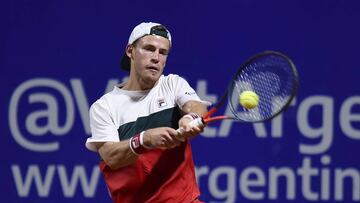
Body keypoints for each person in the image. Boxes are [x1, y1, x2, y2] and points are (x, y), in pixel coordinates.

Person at [85, 22, 209, 203]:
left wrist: (191, 118)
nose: (156, 57)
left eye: (162, 52)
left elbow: (196, 106)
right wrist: (144, 140)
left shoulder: (172, 84)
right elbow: (111, 156)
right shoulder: (105, 106)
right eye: (149, 49)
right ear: (130, 51)